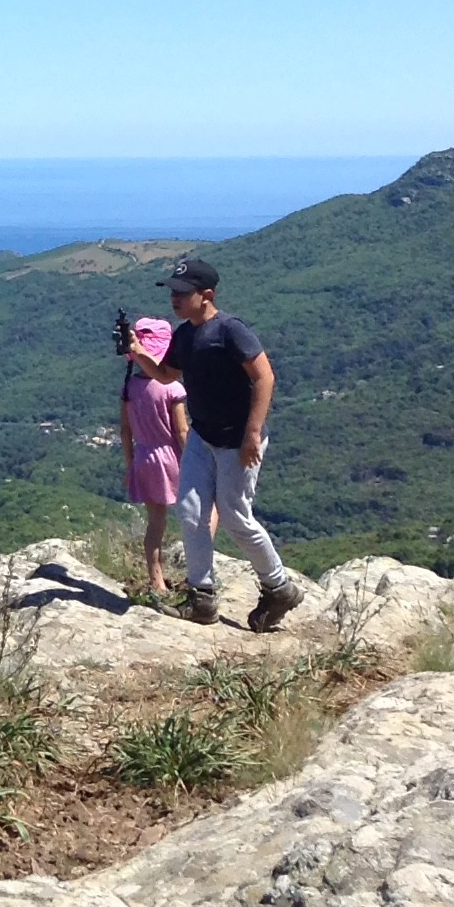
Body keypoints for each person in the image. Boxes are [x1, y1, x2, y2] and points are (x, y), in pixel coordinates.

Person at [128, 255, 302, 631]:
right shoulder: (186, 335)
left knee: (237, 517)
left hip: (237, 439)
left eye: (182, 293)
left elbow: (264, 377)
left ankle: (279, 587)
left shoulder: (230, 331)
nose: (174, 299)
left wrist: (253, 434)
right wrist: (139, 354)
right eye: (172, 291)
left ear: (206, 295)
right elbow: (166, 373)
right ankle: (202, 597)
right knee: (191, 512)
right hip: (203, 436)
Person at [118, 316, 186, 597]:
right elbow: (181, 430)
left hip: (144, 456)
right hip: (170, 457)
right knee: (195, 513)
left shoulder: (129, 388)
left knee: (154, 522)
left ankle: (155, 578)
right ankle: (198, 576)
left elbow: (125, 431)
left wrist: (130, 464)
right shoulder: (172, 388)